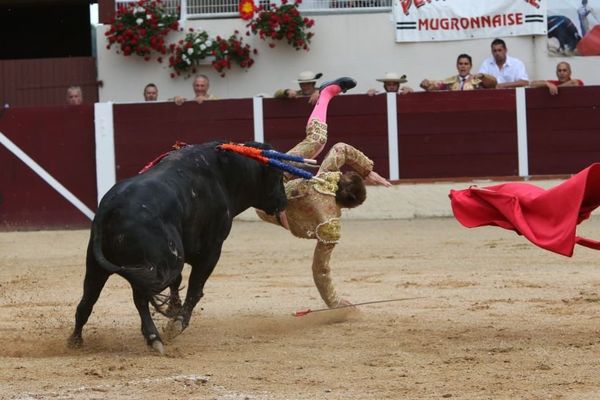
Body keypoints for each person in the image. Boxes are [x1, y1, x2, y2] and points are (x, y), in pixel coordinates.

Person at [257, 77, 392, 309]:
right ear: (350, 207)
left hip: (274, 177)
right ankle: (326, 94)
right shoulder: (331, 226)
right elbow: (320, 270)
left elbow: (341, 148)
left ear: (340, 179)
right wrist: (335, 302)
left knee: (317, 140)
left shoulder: (326, 176)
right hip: (265, 207)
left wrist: (367, 170)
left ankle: (326, 95)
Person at [420, 54, 497, 91]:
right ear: (457, 66)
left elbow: (493, 84)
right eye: (460, 64)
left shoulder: (478, 80)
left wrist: (483, 76)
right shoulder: (450, 81)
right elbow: (433, 87)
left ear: (471, 66)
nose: (463, 66)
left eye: (466, 64)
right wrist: (426, 84)